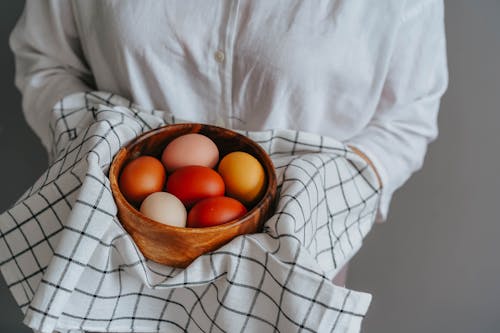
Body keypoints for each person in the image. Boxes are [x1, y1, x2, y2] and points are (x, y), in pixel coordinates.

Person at [9, 0, 447, 329]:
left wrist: (320, 198)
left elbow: (406, 118)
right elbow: (46, 61)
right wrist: (99, 154)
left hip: (291, 270)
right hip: (112, 259)